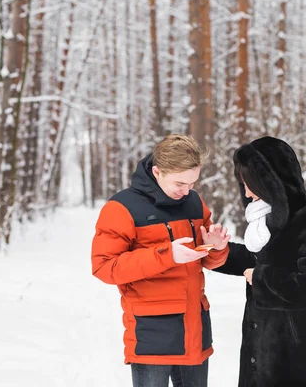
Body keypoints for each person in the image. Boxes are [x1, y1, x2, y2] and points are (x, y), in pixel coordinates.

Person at [91, 134, 231, 387]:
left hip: (195, 326)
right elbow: (104, 267)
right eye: (180, 183)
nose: (186, 191)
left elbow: (208, 261)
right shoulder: (122, 207)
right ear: (157, 171)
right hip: (152, 330)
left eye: (192, 183)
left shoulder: (194, 202)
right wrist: (167, 256)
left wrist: (216, 248)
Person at [214, 136, 306, 387]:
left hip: (293, 351)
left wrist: (260, 278)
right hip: (259, 344)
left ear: (268, 180)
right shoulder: (264, 216)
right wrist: (218, 252)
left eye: (250, 184)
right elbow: (254, 257)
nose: (246, 192)